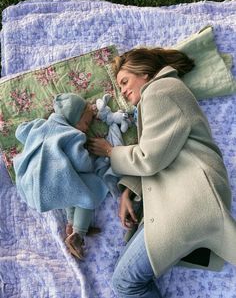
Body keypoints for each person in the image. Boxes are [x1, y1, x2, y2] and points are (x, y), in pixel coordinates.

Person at [88, 47, 236, 298]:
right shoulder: (164, 93)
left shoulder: (160, 91)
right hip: (188, 198)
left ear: (144, 73)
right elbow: (162, 149)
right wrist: (129, 191)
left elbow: (149, 158)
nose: (122, 91)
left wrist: (111, 152)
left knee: (126, 284)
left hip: (189, 201)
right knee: (125, 277)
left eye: (124, 81)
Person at [13, 93, 109, 260]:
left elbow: (20, 132)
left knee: (69, 186)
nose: (87, 128)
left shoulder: (38, 125)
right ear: (74, 117)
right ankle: (79, 233)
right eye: (86, 123)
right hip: (51, 184)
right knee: (90, 188)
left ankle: (71, 226)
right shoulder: (72, 135)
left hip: (28, 186)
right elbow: (82, 164)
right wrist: (90, 158)